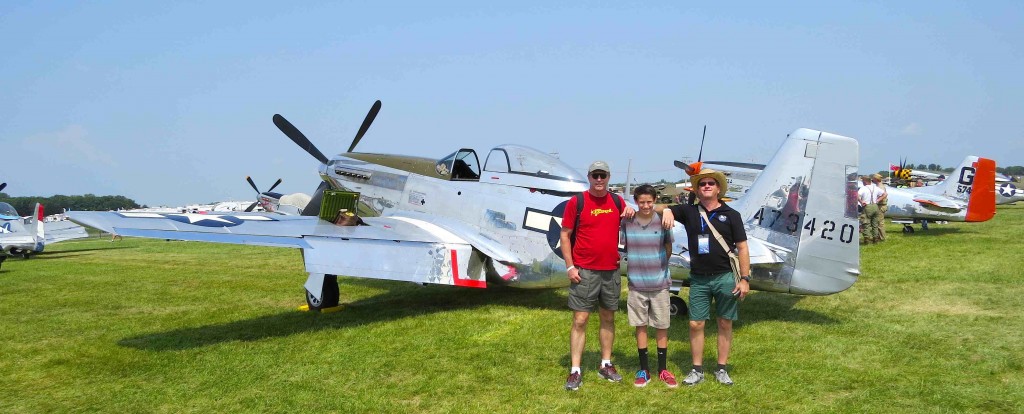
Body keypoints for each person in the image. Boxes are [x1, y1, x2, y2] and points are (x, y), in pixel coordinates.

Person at [658, 166, 750, 386]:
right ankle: (697, 369)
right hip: (699, 278)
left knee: (725, 322)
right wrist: (669, 210)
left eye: (711, 183)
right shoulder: (689, 212)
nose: (706, 186)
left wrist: (745, 279)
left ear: (718, 188)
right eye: (702, 184)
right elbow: (657, 207)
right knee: (696, 324)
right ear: (697, 190)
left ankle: (721, 368)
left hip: (726, 276)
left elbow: (743, 248)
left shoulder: (731, 215)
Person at [560, 161, 634, 391]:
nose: (599, 180)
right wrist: (570, 267)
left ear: (609, 177)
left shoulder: (616, 201)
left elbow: (638, 211)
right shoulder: (577, 201)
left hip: (611, 271)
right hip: (585, 271)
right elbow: (565, 235)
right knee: (580, 320)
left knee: (608, 318)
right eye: (595, 175)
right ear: (589, 177)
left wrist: (631, 208)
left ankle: (606, 364)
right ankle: (575, 370)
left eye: (603, 175)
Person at [619, 184, 677, 388]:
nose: (646, 205)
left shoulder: (662, 221)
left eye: (649, 202)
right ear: (636, 201)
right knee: (640, 325)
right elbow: (624, 246)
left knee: (662, 326)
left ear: (655, 201)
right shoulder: (628, 221)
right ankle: (644, 369)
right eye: (641, 202)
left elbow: (668, 247)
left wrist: (660, 265)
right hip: (636, 283)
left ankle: (663, 369)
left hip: (660, 283)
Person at [857, 176, 881, 244]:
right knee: (875, 224)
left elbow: (857, 195)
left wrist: (861, 202)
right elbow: (884, 194)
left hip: (867, 206)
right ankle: (875, 239)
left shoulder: (863, 188)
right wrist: (878, 200)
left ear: (865, 181)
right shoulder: (875, 187)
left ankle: (866, 240)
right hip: (875, 206)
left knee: (866, 223)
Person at [871, 174, 888, 241]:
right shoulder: (879, 186)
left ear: (876, 179)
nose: (872, 180)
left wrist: (877, 200)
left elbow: (884, 195)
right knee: (878, 222)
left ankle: (882, 238)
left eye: (873, 178)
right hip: (880, 205)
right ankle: (879, 237)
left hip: (881, 206)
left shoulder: (880, 187)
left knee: (880, 223)